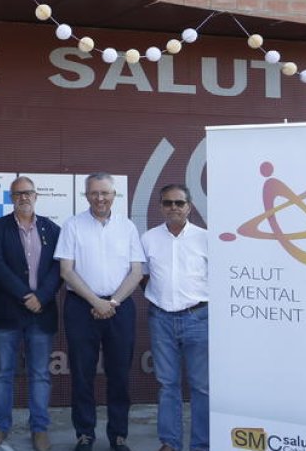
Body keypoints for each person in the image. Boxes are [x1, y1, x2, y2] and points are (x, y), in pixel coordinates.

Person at [55, 173, 146, 451]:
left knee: (119, 375)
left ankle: (118, 435)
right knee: (82, 375)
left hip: (119, 308)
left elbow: (136, 271)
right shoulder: (72, 225)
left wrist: (113, 302)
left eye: (105, 193)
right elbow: (66, 271)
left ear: (114, 195)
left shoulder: (127, 226)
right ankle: (85, 434)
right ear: (86, 196)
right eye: (94, 193)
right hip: (82, 308)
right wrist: (96, 301)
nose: (100, 198)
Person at [0, 176, 62, 451]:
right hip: (7, 312)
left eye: (28, 193)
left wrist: (41, 297)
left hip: (42, 312)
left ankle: (39, 428)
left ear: (36, 196)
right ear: (11, 197)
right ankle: (0, 424)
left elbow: (57, 269)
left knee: (39, 373)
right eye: (18, 194)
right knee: (4, 372)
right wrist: (25, 295)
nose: (23, 198)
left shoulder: (52, 229)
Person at [142, 184, 208, 451]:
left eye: (179, 203)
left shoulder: (206, 238)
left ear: (189, 206)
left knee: (202, 386)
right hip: (161, 319)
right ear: (160, 207)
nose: (173, 208)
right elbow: (143, 277)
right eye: (168, 203)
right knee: (167, 384)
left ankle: (201, 444)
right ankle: (170, 442)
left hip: (199, 318)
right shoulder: (148, 239)